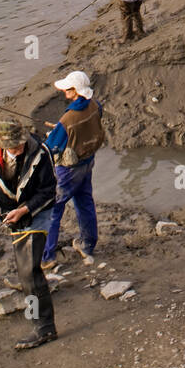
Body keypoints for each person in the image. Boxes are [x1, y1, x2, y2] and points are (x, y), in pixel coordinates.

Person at [0, 119, 57, 350]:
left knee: (29, 271)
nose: (17, 149)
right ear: (1, 145)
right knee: (25, 272)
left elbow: (49, 191)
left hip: (36, 213)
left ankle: (43, 327)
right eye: (12, 147)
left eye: (20, 145)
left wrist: (24, 210)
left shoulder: (41, 153)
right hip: (11, 217)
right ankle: (37, 319)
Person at [42, 70, 104, 271]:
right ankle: (87, 245)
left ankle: (47, 256)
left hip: (68, 171)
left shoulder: (68, 119)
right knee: (85, 202)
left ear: (75, 92)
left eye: (68, 88)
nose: (64, 91)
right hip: (88, 163)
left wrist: (56, 132)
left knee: (53, 210)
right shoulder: (95, 106)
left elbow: (51, 147)